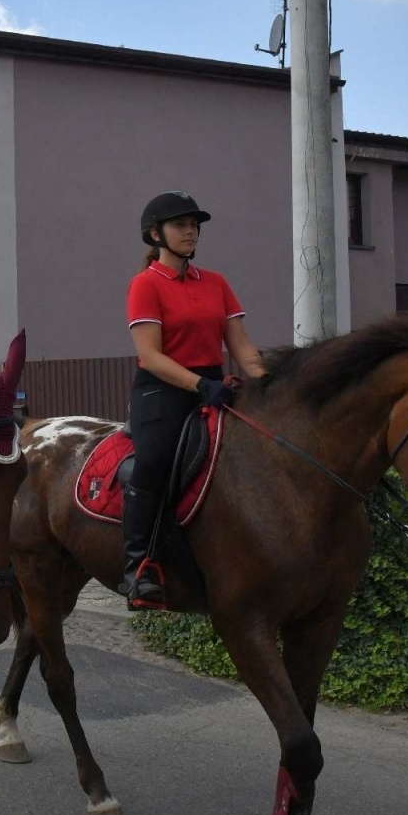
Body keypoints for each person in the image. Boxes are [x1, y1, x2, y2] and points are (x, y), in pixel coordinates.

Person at [119, 191, 266, 610]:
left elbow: (242, 347)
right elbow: (150, 355)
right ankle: (138, 566)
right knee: (154, 461)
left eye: (194, 225)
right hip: (161, 390)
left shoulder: (217, 282)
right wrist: (201, 387)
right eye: (181, 225)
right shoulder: (145, 284)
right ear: (155, 233)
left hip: (215, 384)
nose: (190, 231)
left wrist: (270, 385)